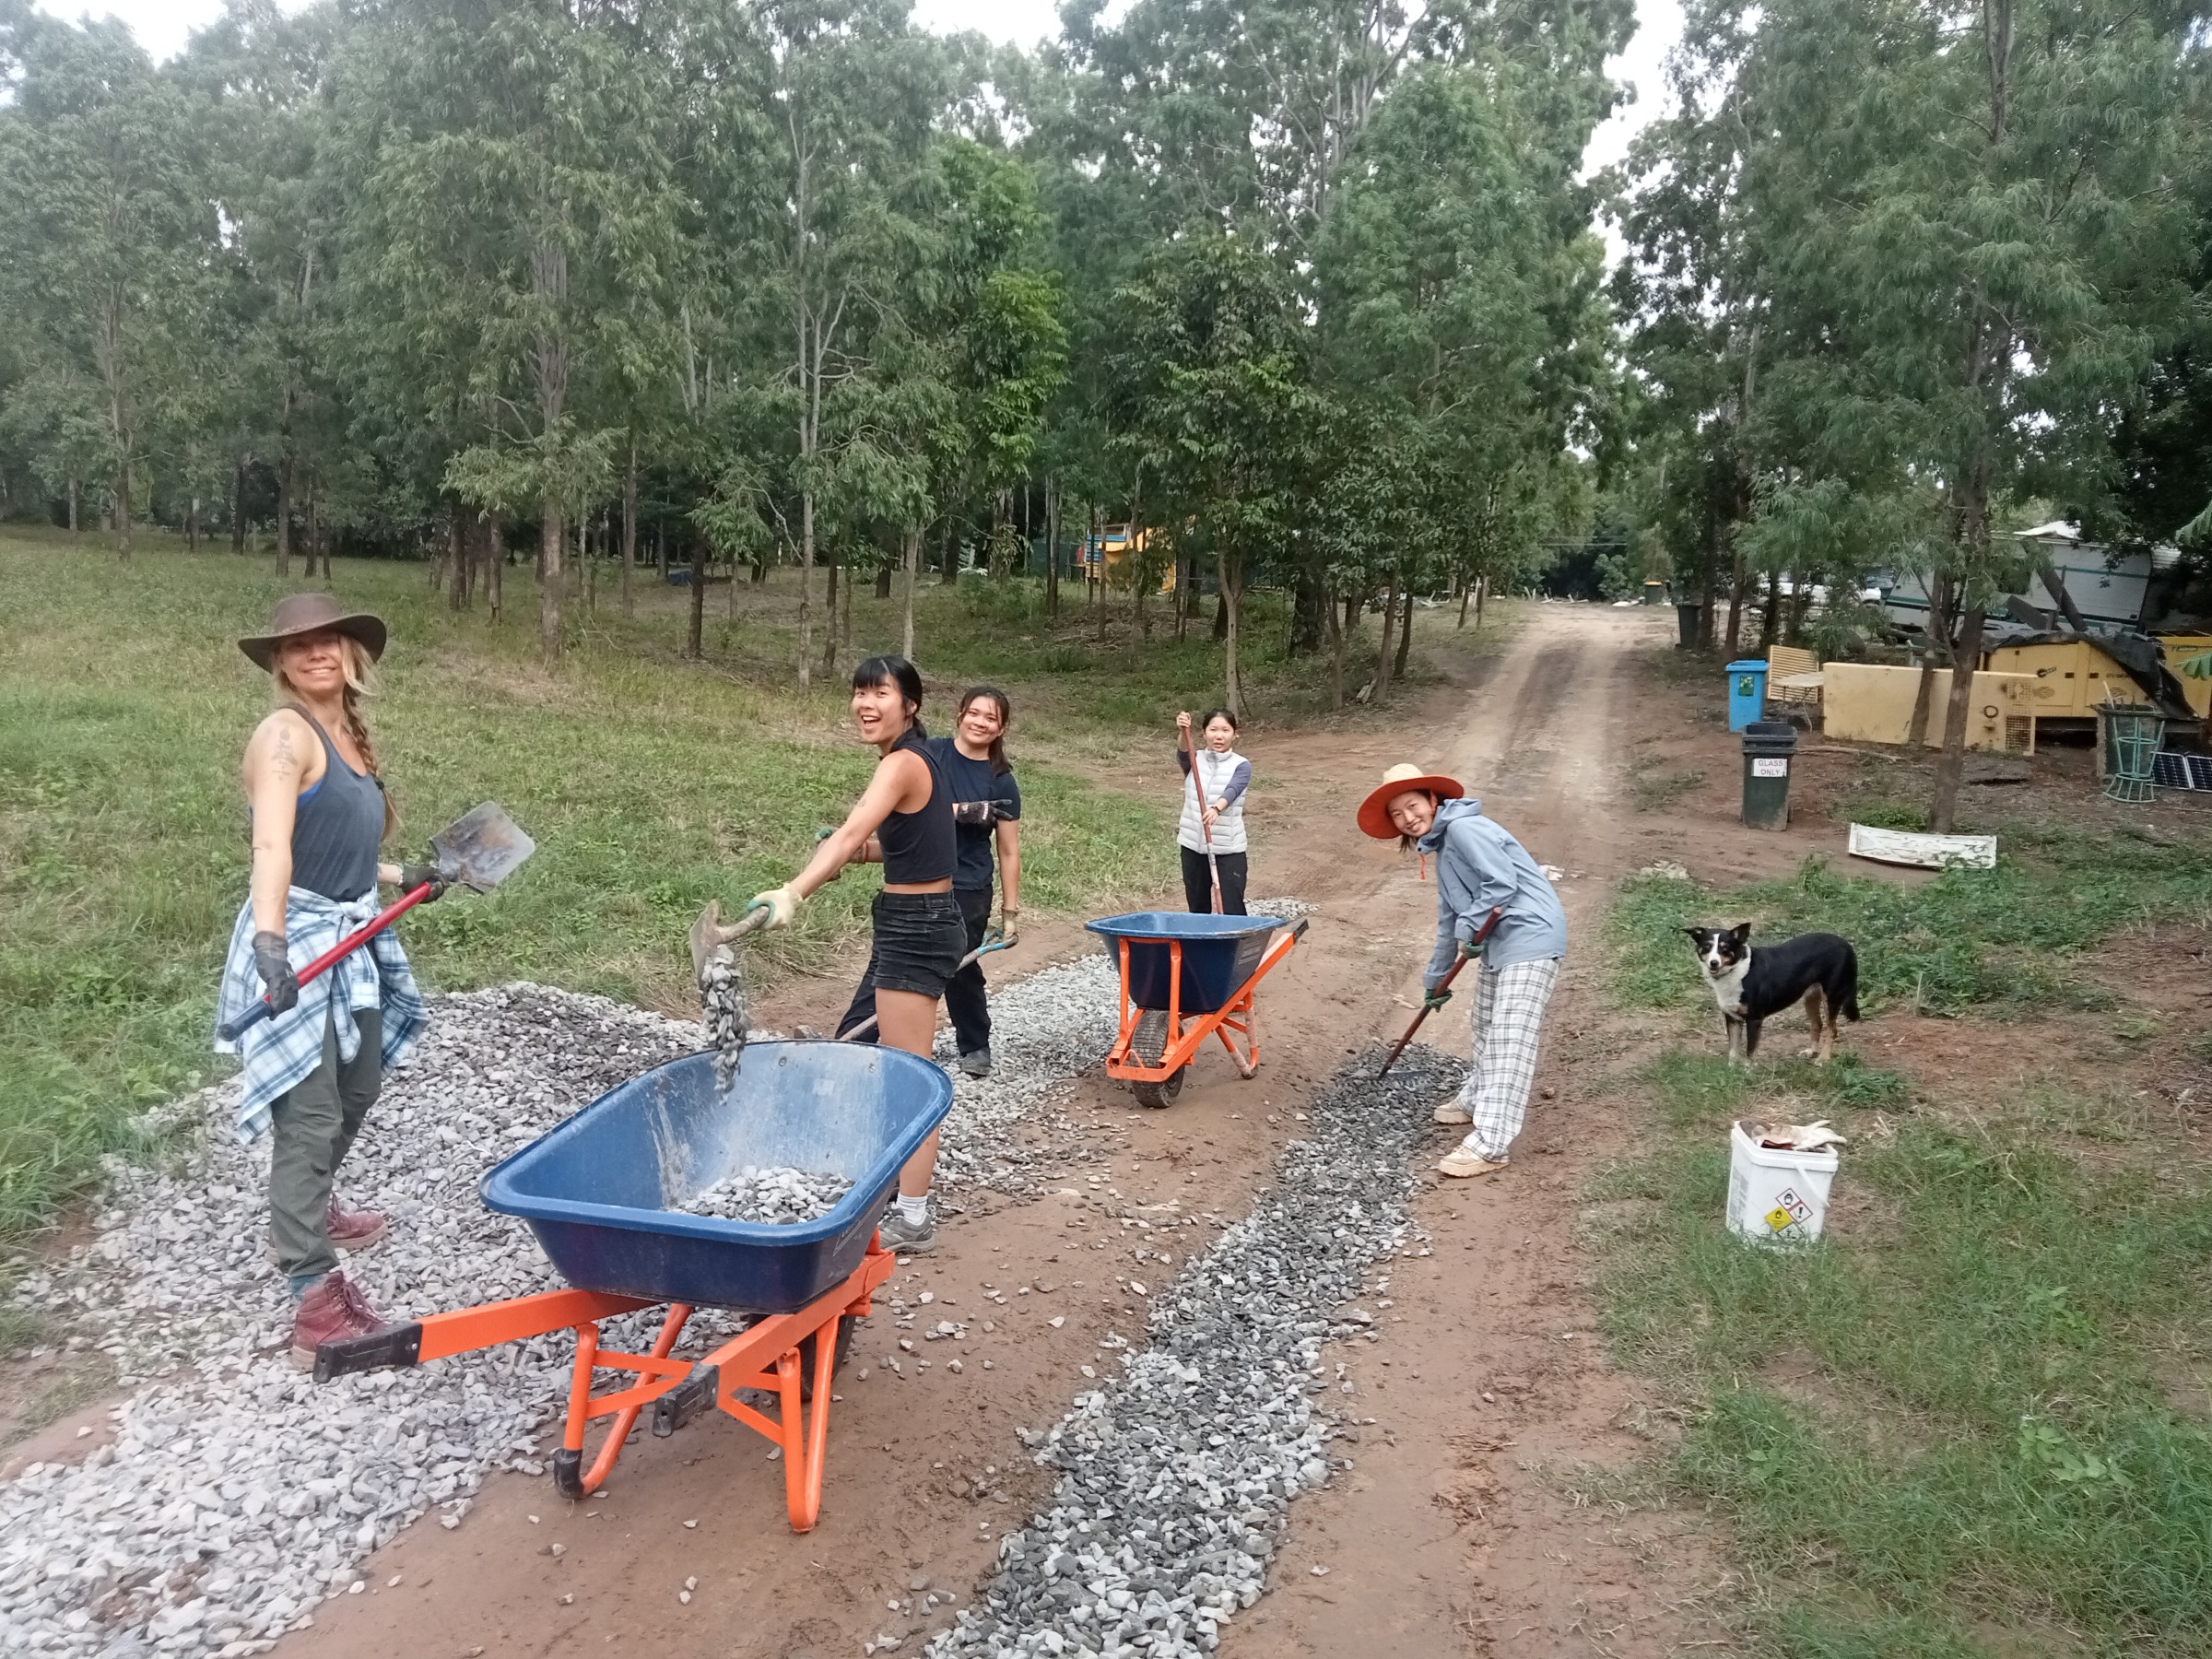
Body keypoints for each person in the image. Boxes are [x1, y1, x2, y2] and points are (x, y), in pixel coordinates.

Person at [213, 592, 437, 1366]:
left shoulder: (349, 738)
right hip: (297, 942)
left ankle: (309, 1202)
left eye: (328, 640)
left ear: (350, 653)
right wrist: (273, 949)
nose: (315, 653)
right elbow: (272, 849)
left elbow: (334, 844)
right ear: (280, 661)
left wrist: (403, 873)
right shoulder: (284, 735)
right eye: (298, 644)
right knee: (307, 1116)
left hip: (351, 940)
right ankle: (311, 1298)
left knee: (359, 1084)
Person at [750, 655, 965, 1253]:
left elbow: (850, 831)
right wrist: (862, 857)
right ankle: (895, 1187)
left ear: (911, 705)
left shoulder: (900, 763)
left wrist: (795, 890)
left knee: (908, 1075)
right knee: (893, 1064)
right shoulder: (919, 758)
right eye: (859, 692)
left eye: (880, 693)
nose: (865, 704)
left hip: (916, 926)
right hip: (916, 918)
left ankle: (914, 1215)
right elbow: (916, 842)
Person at [1356, 763, 1567, 1180]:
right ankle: (1478, 1098)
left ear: (1433, 800)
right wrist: (1434, 979)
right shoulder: (1443, 847)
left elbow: (1501, 884)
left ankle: (1492, 1143)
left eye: (1413, 806)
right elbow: (1448, 918)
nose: (1408, 819)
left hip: (1530, 936)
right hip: (1500, 942)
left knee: (1509, 1035)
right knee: (1485, 1023)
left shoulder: (1466, 831)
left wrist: (1471, 928)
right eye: (1397, 815)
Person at [835, 685, 1022, 1078]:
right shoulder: (930, 754)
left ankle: (974, 1044)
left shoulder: (1000, 780)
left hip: (968, 886)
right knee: (888, 964)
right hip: (916, 880)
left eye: (991, 718)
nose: (980, 722)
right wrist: (860, 848)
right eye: (974, 713)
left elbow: (1008, 851)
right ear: (960, 714)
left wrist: (1009, 912)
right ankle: (852, 1041)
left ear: (1001, 727)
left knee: (957, 968)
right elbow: (897, 808)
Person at [1175, 707, 1251, 914]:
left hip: (1228, 849)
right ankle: (1203, 946)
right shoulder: (1194, 759)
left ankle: (1237, 946)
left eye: (1225, 730)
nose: (1219, 736)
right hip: (1193, 846)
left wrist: (1217, 808)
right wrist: (1183, 730)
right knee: (1198, 908)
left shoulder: (1241, 765)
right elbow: (1182, 752)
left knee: (1232, 908)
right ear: (1204, 732)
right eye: (1213, 730)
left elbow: (1233, 789)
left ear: (1234, 734)